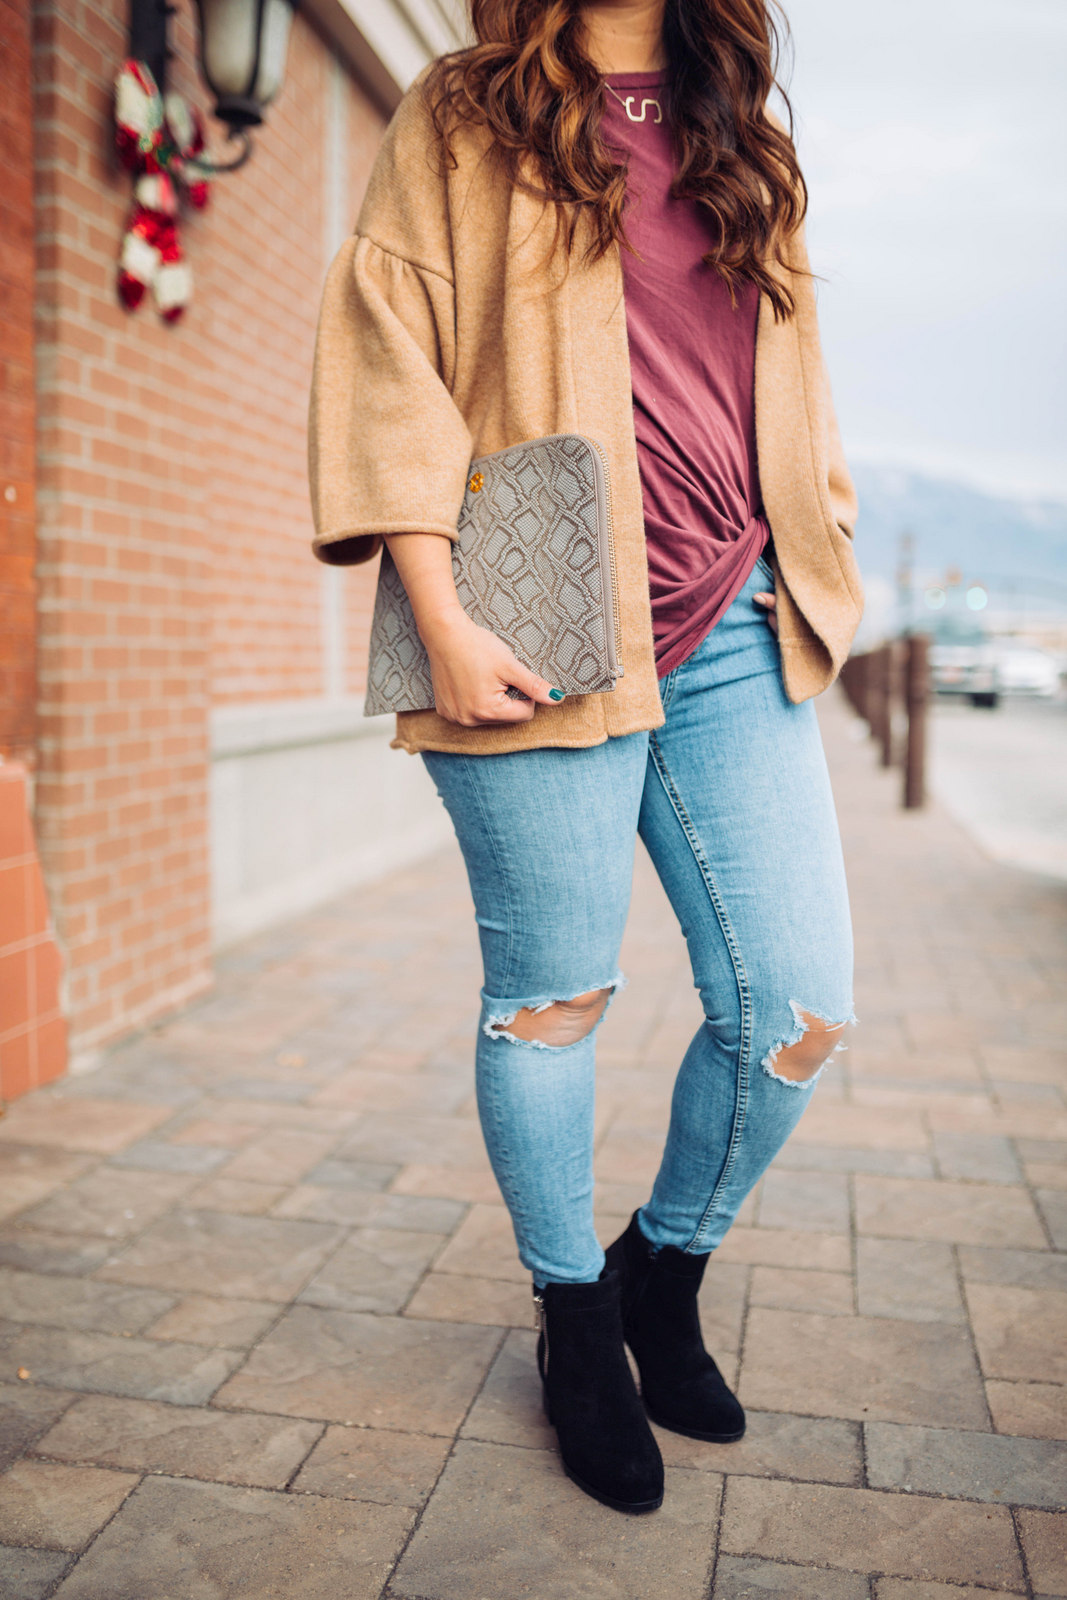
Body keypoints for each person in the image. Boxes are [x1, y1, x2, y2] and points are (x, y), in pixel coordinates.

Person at [309, 0, 862, 1516]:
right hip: (531, 603)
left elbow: (792, 379)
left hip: (742, 619)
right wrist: (440, 605)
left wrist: (821, 536)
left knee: (799, 1005)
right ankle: (571, 1320)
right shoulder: (463, 108)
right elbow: (388, 355)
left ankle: (657, 1275)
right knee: (554, 999)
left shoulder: (742, 130)